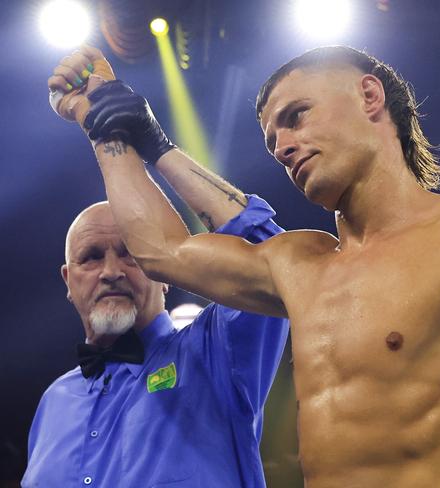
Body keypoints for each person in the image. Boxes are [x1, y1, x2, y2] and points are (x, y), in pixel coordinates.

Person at [48, 45, 440, 487]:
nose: (280, 145)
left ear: (369, 97)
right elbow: (161, 253)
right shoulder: (299, 261)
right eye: (272, 137)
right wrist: (105, 124)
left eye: (295, 117)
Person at [22, 126, 289, 485]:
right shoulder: (54, 402)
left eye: (131, 255)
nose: (111, 272)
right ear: (69, 281)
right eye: (91, 257)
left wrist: (159, 149)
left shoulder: (215, 353)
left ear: (164, 273)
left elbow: (270, 262)